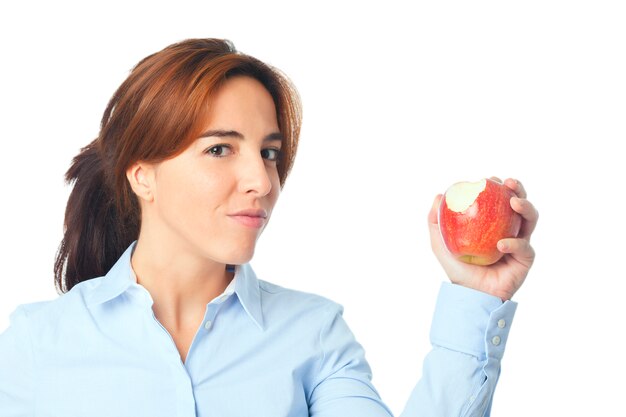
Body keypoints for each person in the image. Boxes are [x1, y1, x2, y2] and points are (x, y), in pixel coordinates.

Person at [0, 39, 538, 416]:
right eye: (219, 149)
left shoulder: (314, 334)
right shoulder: (36, 343)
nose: (262, 180)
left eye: (270, 152)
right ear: (143, 175)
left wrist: (473, 298)